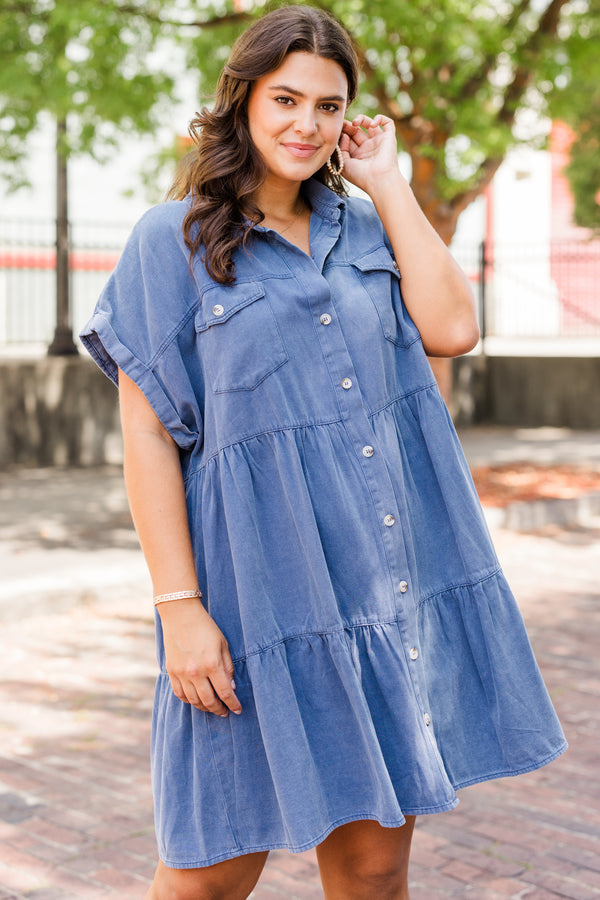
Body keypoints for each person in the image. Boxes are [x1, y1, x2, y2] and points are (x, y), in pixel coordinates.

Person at [81, 6, 567, 899]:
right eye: (286, 99)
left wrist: (388, 181)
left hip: (383, 581)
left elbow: (453, 329)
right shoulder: (169, 240)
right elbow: (147, 434)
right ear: (243, 101)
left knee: (375, 871)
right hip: (253, 595)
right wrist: (180, 609)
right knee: (206, 876)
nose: (307, 124)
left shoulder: (369, 227)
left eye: (329, 105)